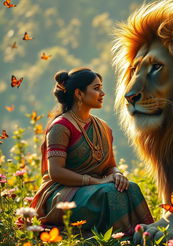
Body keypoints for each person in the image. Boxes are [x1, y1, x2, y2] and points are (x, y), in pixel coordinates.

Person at [31, 67, 154, 234]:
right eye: (96, 89)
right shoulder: (60, 127)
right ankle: (122, 241)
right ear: (79, 94)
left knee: (131, 188)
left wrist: (117, 174)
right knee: (109, 193)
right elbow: (56, 172)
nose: (102, 93)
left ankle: (144, 236)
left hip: (96, 189)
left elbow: (110, 166)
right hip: (63, 193)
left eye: (101, 87)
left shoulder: (103, 127)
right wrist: (95, 182)